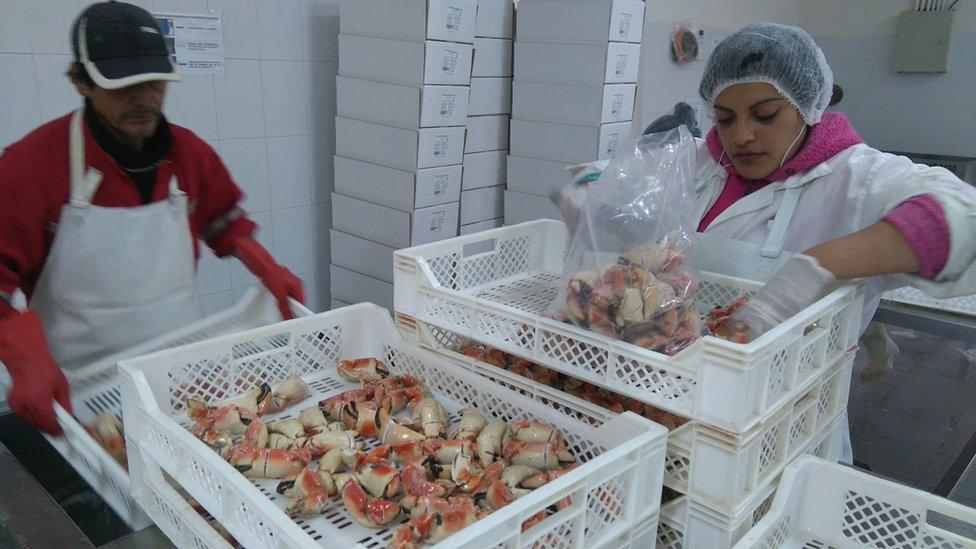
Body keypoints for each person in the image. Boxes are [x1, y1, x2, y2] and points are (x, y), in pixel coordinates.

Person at [555, 22, 976, 461]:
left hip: (783, 429)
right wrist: (589, 203)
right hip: (666, 404)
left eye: (766, 115)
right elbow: (595, 179)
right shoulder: (694, 161)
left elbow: (963, 217)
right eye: (725, 117)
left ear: (808, 106)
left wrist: (819, 267)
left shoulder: (860, 179)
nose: (741, 136)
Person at [0, 1, 305, 436]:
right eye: (122, 86)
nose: (143, 98)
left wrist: (266, 267)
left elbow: (225, 223)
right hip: (81, 387)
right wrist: (23, 356)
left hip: (182, 371)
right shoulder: (30, 166)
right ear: (80, 82)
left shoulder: (189, 154)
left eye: (154, 83)